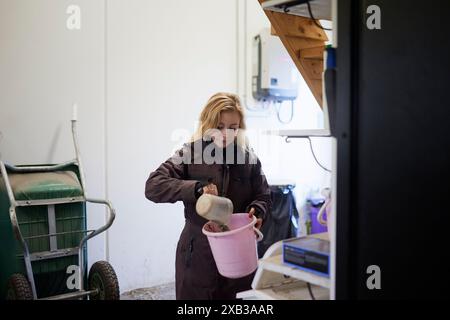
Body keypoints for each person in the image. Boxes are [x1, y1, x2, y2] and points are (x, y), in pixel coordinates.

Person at [145, 92, 271, 299]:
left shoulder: (249, 159)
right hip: (197, 256)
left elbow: (264, 195)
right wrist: (196, 188)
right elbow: (153, 186)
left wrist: (258, 211)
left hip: (238, 254)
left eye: (233, 128)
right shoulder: (188, 154)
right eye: (219, 126)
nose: (225, 134)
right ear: (207, 123)